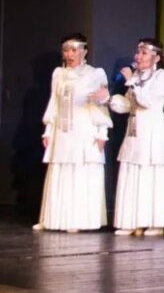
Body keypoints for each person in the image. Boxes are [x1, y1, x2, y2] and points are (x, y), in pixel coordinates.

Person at [34, 33, 111, 232]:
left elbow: (101, 104)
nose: (69, 54)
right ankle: (53, 218)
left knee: (80, 170)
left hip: (84, 128)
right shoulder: (59, 74)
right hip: (62, 129)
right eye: (66, 50)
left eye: (74, 50)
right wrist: (48, 130)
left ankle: (78, 220)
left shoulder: (94, 74)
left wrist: (102, 133)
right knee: (60, 169)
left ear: (84, 51)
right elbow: (54, 101)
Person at [109, 39, 164, 236]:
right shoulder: (137, 76)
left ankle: (155, 222)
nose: (138, 57)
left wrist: (131, 80)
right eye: (137, 52)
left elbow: (148, 101)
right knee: (133, 172)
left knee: (151, 174)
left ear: (156, 57)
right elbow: (128, 105)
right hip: (134, 130)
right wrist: (109, 99)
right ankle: (132, 221)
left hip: (152, 130)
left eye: (144, 53)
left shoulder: (163, 76)